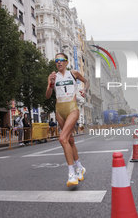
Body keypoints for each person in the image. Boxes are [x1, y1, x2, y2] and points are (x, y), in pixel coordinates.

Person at [46, 53, 89, 187]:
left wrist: (85, 91)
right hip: (59, 110)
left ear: (66, 62)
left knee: (62, 138)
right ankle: (80, 167)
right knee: (69, 140)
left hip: (72, 108)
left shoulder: (73, 73)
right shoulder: (53, 76)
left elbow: (86, 82)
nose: (58, 62)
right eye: (56, 61)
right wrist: (50, 84)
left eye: (61, 60)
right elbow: (48, 96)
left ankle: (72, 174)